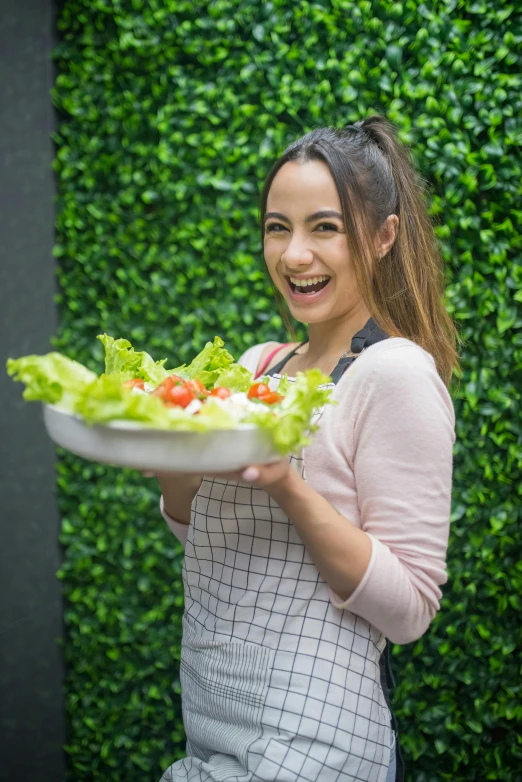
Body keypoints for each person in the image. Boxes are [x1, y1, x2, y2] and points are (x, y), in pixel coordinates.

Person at [156, 115, 458, 782]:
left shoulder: (395, 375)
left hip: (316, 747)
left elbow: (409, 608)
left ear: (384, 236)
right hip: (212, 722)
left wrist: (287, 485)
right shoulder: (260, 365)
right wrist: (174, 464)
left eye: (325, 227)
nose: (294, 254)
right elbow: (215, 540)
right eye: (277, 227)